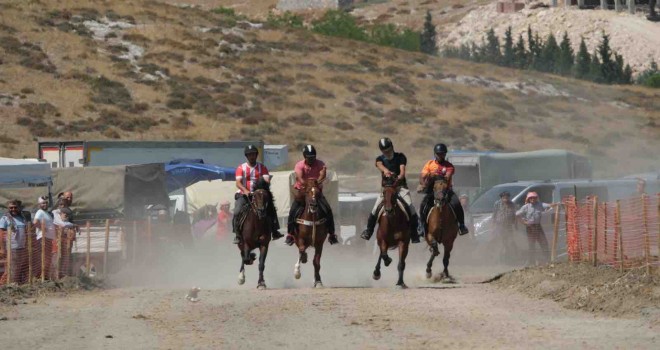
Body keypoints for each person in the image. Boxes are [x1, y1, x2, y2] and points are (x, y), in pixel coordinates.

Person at [360, 137, 420, 243]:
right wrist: (386, 171)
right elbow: (379, 165)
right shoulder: (380, 159)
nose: (387, 153)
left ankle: (414, 233)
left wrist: (399, 177)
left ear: (392, 147)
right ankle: (369, 231)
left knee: (410, 207)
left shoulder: (400, 157)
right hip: (386, 189)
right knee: (375, 209)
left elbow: (402, 171)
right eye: (384, 151)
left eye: (388, 150)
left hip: (400, 188)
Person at [285, 145, 338, 246]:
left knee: (327, 210)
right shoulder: (299, 165)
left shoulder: (320, 164)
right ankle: (290, 234)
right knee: (293, 210)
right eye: (309, 157)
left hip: (316, 191)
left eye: (313, 157)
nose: (311, 159)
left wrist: (316, 183)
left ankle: (332, 234)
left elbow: (323, 174)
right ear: (305, 157)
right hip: (303, 192)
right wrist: (308, 185)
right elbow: (300, 178)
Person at [232, 144, 283, 244]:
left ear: (256, 155)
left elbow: (266, 180)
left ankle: (275, 230)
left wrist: (263, 186)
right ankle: (237, 235)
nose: (252, 156)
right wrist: (245, 190)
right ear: (246, 156)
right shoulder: (241, 168)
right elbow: (238, 183)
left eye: (254, 154)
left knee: (271, 208)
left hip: (259, 194)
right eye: (250, 155)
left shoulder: (262, 167)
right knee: (237, 211)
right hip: (244, 194)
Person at [417, 143, 469, 236]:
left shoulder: (449, 166)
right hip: (432, 191)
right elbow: (422, 175)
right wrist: (423, 183)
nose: (441, 156)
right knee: (423, 205)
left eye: (443, 154)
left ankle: (461, 225)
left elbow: (447, 177)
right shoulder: (429, 164)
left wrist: (434, 175)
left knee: (457, 203)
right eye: (439, 154)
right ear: (435, 154)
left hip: (446, 190)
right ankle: (422, 225)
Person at [516, 192, 553, 265]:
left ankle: (547, 260)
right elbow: (517, 215)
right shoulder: (526, 207)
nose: (532, 199)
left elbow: (549, 205)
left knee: (544, 243)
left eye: (534, 198)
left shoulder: (540, 204)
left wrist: (555, 205)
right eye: (531, 198)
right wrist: (524, 222)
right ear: (529, 199)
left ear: (536, 198)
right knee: (531, 244)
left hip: (538, 226)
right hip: (530, 227)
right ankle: (531, 261)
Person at [0, 200, 29, 284]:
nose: (13, 209)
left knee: (18, 268)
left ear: (19, 208)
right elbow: (1, 234)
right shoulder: (5, 218)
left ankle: (15, 284)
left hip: (21, 247)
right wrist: (2, 248)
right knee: (11, 268)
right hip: (12, 248)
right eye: (11, 208)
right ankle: (5, 285)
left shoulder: (22, 218)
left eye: (15, 207)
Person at [33, 196, 56, 280]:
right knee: (44, 258)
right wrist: (43, 228)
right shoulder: (40, 212)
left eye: (46, 203)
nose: (45, 204)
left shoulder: (47, 213)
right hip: (43, 238)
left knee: (47, 258)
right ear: (39, 205)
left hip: (48, 238)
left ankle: (44, 276)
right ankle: (41, 277)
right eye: (43, 203)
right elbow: (35, 222)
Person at [492, 191, 518, 264]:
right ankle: (499, 260)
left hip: (509, 226)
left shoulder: (512, 204)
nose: (505, 198)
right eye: (504, 197)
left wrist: (515, 226)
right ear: (501, 198)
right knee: (501, 243)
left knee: (509, 242)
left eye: (507, 197)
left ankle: (508, 258)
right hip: (499, 226)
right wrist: (493, 226)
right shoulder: (497, 204)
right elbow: (494, 215)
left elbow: (514, 215)